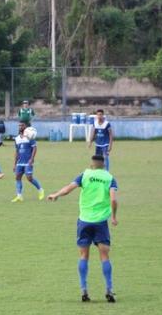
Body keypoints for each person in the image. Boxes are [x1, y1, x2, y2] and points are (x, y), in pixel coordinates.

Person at [47, 155, 119, 303]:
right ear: (103, 164)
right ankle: (109, 290)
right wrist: (113, 217)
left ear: (92, 164)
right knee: (104, 256)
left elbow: (68, 189)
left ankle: (83, 290)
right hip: (100, 222)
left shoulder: (85, 175)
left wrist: (56, 195)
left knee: (83, 255)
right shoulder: (109, 177)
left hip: (84, 220)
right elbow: (113, 199)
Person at [11, 122, 45, 202]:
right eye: (19, 125)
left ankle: (40, 189)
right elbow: (17, 151)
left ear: (25, 127)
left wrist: (32, 159)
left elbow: (34, 148)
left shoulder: (30, 137)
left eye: (22, 125)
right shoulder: (17, 139)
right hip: (20, 161)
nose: (20, 127)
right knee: (17, 177)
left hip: (28, 161)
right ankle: (19, 196)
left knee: (29, 178)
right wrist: (14, 164)